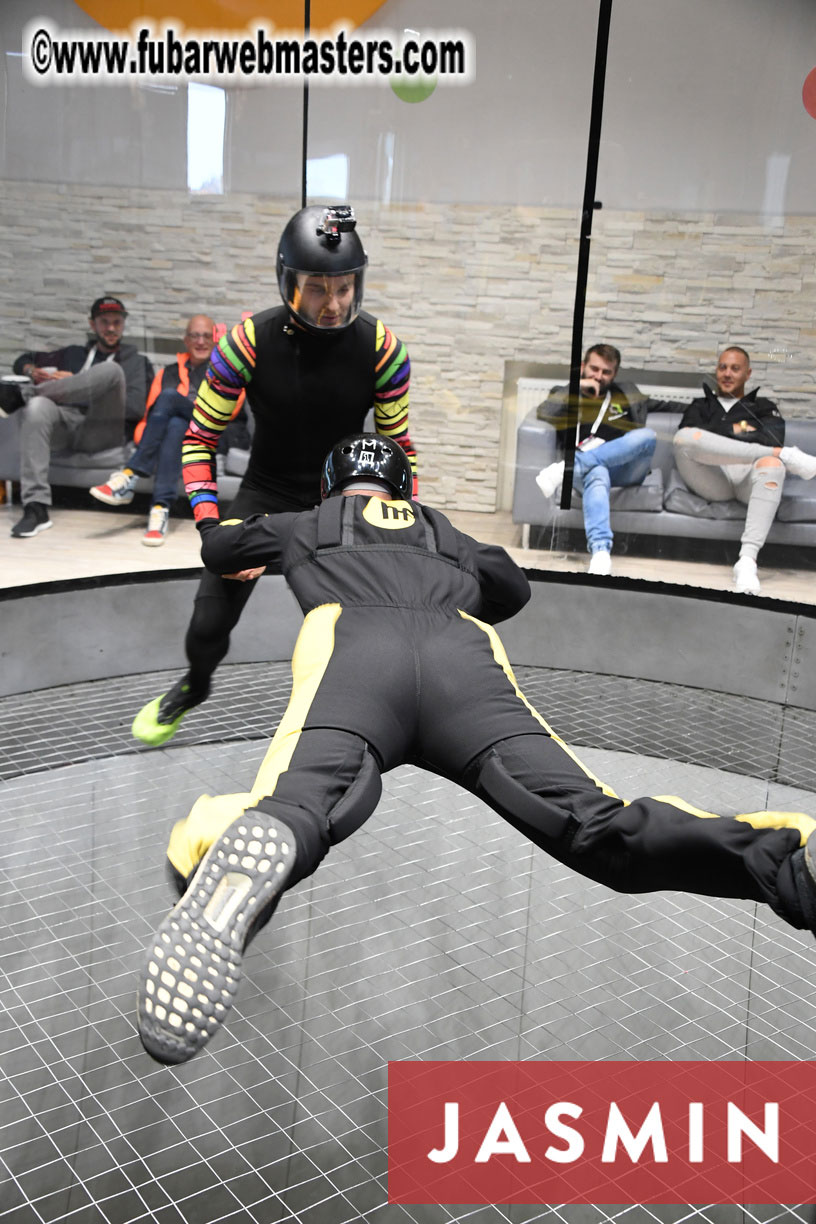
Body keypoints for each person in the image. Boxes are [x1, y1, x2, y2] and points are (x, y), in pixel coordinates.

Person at [137, 433, 816, 1066]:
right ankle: (788, 856)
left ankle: (212, 840)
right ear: (404, 488)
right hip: (463, 659)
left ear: (331, 484)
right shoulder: (446, 532)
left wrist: (241, 545)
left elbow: (220, 549)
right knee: (596, 827)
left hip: (353, 652)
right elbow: (513, 586)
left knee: (299, 807)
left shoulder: (311, 522)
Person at [131, 204, 415, 745]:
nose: (333, 304)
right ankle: (194, 685)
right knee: (208, 624)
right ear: (289, 284)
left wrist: (404, 520)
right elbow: (199, 439)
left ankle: (360, 716)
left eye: (344, 289)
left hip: (341, 499)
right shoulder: (246, 341)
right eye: (317, 289)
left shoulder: (384, 349)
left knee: (364, 627)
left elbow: (397, 448)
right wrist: (213, 531)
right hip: (266, 491)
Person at [1, 296, 153, 539]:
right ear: (93, 325)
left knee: (111, 371)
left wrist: (74, 386)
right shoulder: (72, 354)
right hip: (65, 425)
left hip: (103, 427)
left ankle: (24, 395)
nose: (111, 328)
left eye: (116, 322)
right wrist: (32, 371)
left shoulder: (136, 362)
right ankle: (36, 507)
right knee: (37, 407)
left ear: (123, 325)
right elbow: (23, 360)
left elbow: (136, 408)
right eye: (104, 322)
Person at [673, 346, 816, 595]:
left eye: (735, 369)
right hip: (712, 477)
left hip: (747, 479)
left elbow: (771, 438)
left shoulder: (763, 407)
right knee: (685, 437)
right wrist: (743, 431)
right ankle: (786, 455)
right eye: (722, 367)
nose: (727, 374)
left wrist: (717, 435)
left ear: (747, 374)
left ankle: (747, 562)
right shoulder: (700, 405)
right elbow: (689, 442)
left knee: (772, 464)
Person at [89, 314, 240, 547]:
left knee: (169, 397)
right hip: (181, 435)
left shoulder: (225, 372)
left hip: (212, 432)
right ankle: (160, 510)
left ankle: (130, 474)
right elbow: (151, 414)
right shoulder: (167, 372)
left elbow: (226, 412)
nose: (200, 341)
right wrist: (146, 438)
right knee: (176, 425)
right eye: (194, 336)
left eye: (206, 336)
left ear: (215, 339)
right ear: (186, 340)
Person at [534, 344, 677, 576]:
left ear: (615, 374)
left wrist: (709, 412)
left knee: (647, 436)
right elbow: (544, 412)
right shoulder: (566, 393)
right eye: (594, 369)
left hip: (624, 469)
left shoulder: (626, 394)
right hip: (589, 474)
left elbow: (670, 406)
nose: (599, 376)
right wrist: (576, 387)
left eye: (606, 372)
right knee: (597, 471)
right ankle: (601, 552)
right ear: (583, 367)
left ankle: (566, 468)